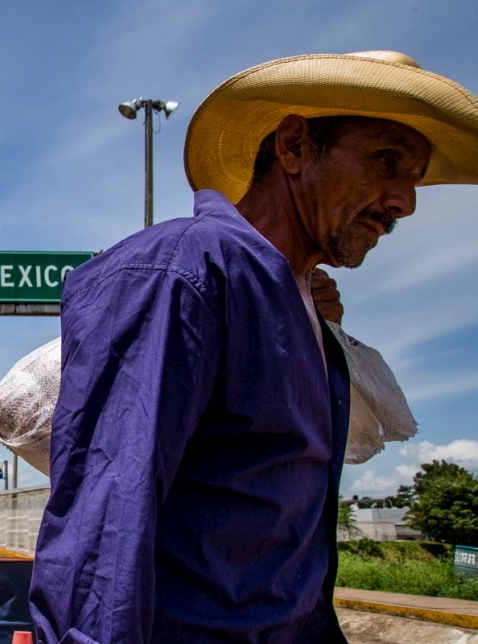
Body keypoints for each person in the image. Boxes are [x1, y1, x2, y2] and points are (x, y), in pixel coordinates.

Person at [30, 50, 478, 643]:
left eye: (413, 179)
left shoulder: (304, 312)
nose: (404, 201)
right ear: (293, 146)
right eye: (385, 160)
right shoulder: (183, 271)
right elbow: (102, 536)